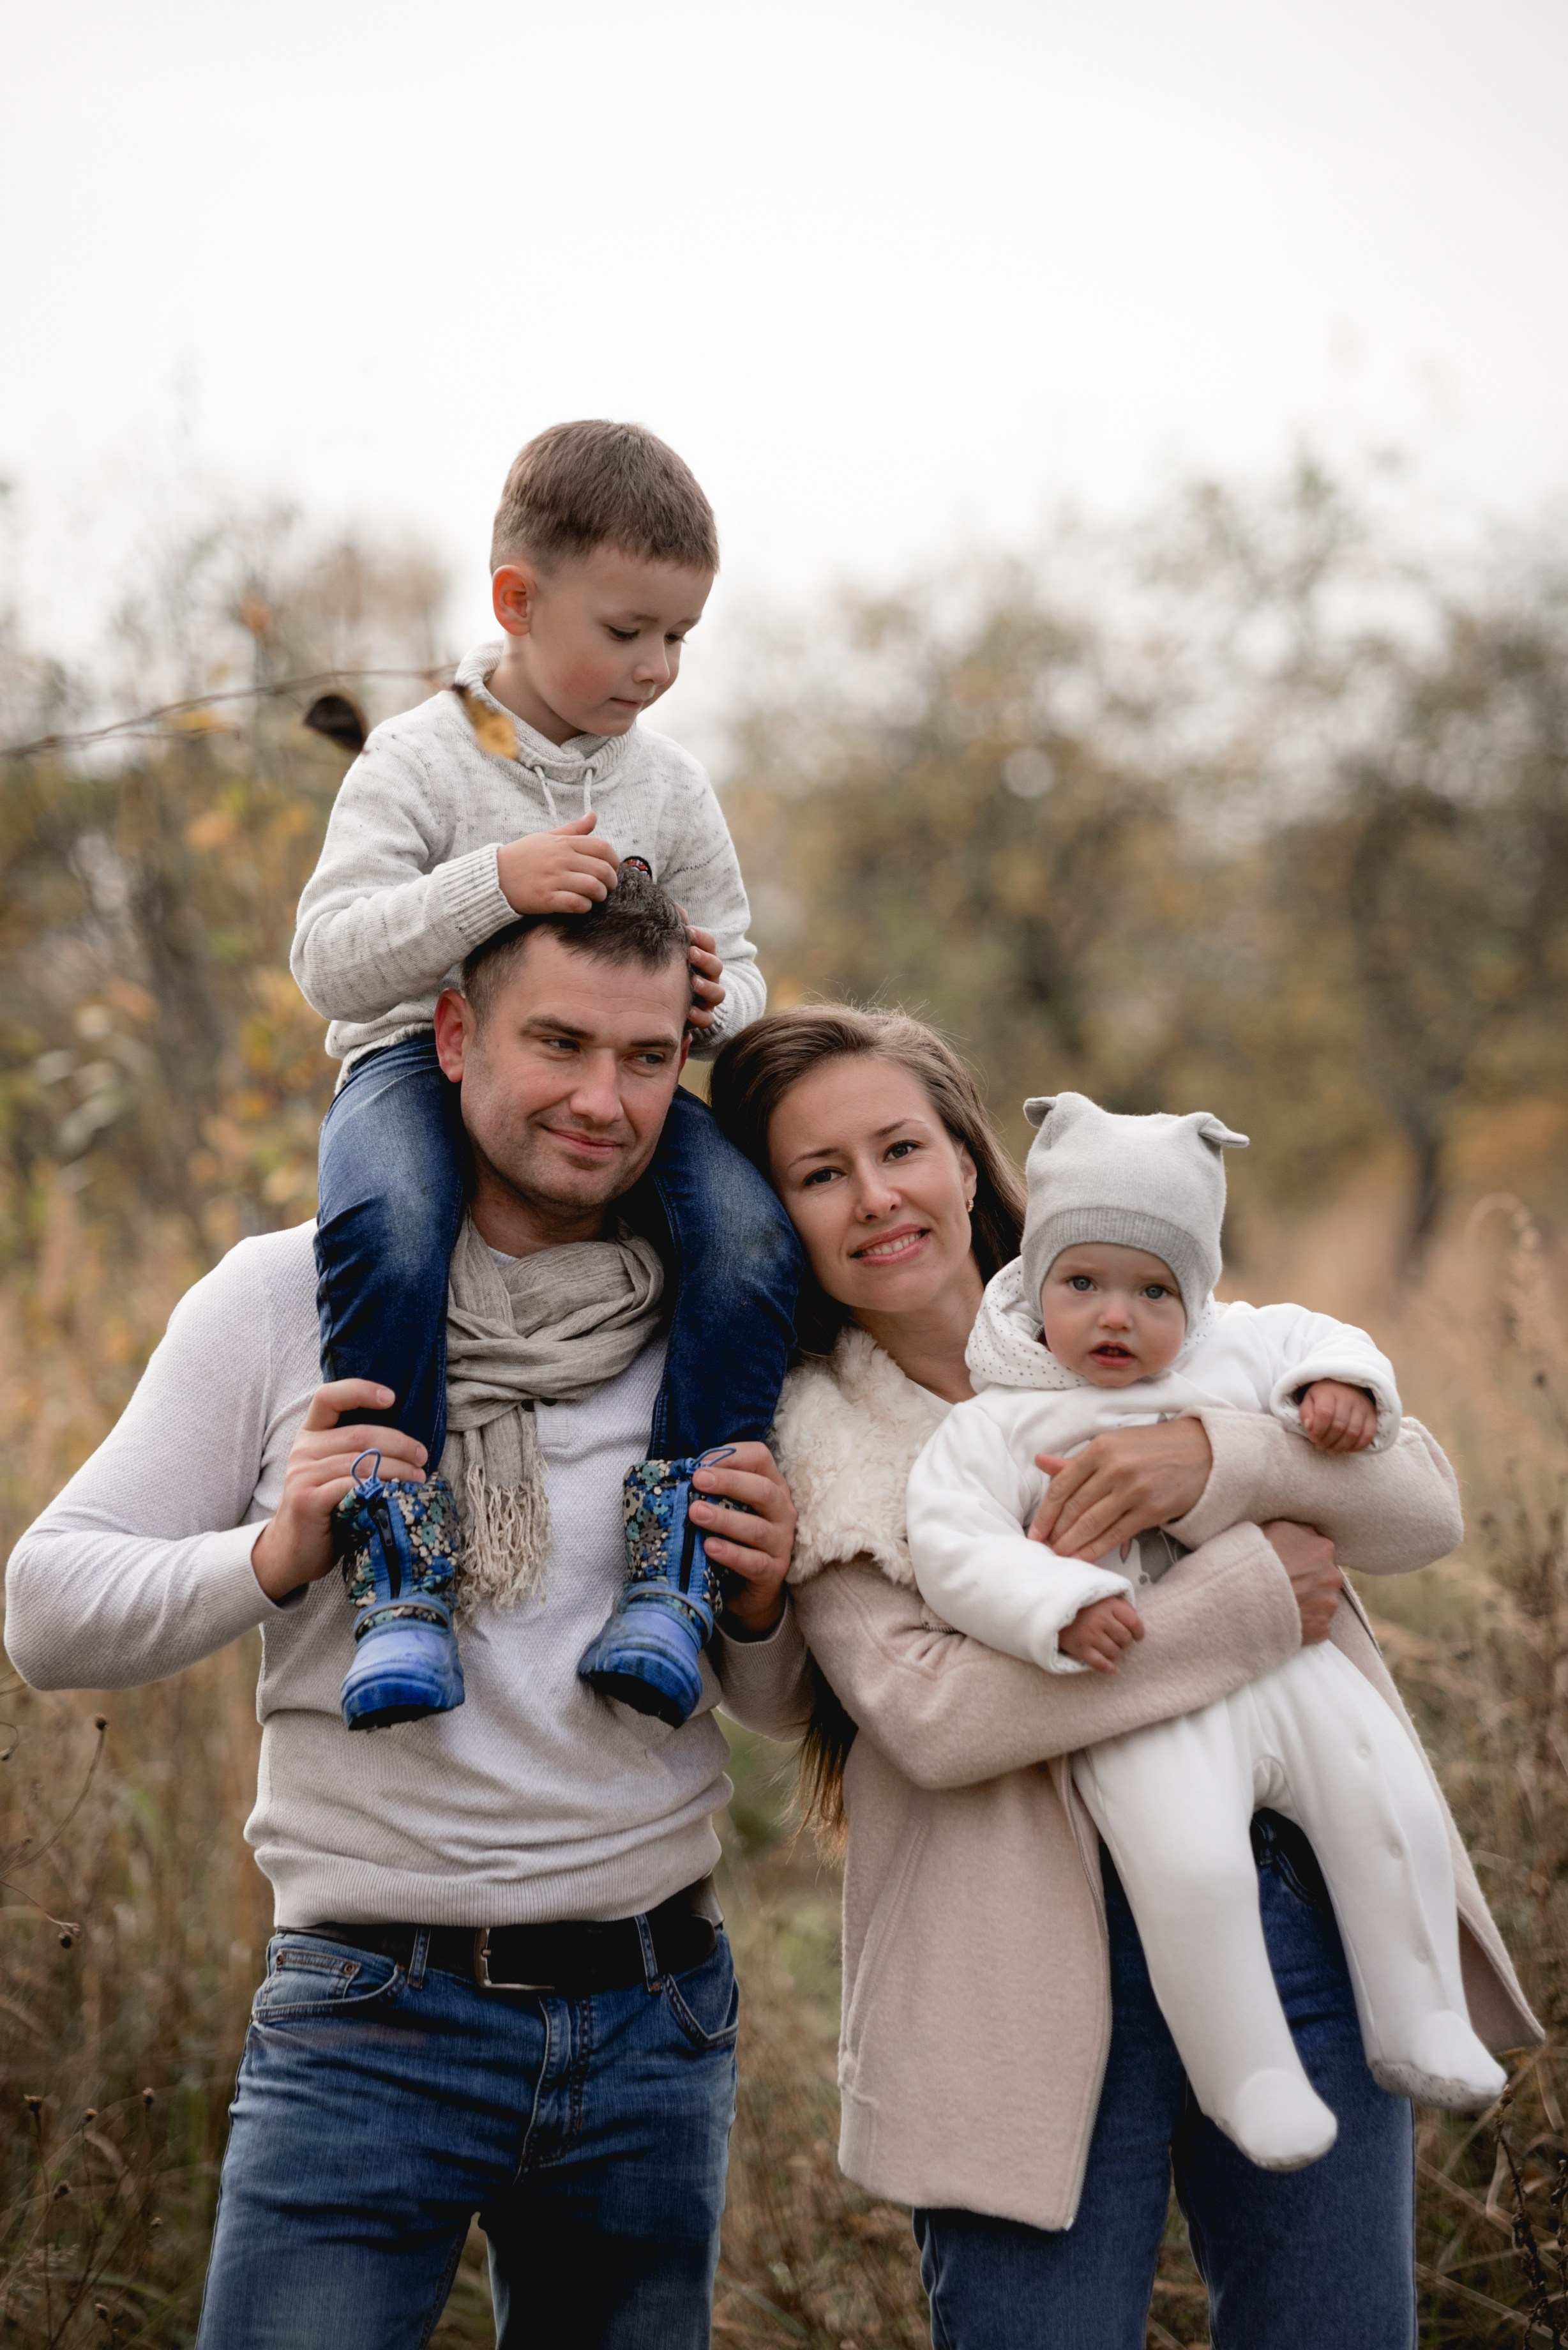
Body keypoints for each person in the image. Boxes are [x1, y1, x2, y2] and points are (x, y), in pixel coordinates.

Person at [5, 877, 811, 2350]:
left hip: (654, 2015)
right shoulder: (283, 1299)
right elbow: (47, 1609)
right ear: (450, 1034)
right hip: (368, 2018)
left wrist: (755, 1608)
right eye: (558, 1043)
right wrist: (275, 1550)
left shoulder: (723, 1312)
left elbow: (769, 1709)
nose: (604, 1099)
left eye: (647, 1058)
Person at [708, 1004, 1541, 2350]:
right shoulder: (816, 1437)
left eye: (900, 1147)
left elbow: (1420, 1507)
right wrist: (1250, 1596)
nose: (875, 1198)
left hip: (1294, 1920)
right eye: (818, 1174)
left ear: (967, 1161)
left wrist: (1219, 1461)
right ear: (775, 1215)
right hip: (1007, 1973)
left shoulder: (1158, 1312)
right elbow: (937, 1717)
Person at [290, 418, 799, 1729]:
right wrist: (489, 888)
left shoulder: (670, 790)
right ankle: (399, 1568)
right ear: (518, 600)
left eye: (680, 637)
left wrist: (706, 1001)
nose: (657, 666)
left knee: (749, 1236)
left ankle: (674, 1571)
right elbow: (330, 962)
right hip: (412, 1063)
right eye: (628, 630)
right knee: (390, 1222)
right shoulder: (420, 760)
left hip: (613, 1088)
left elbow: (740, 968)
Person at [905, 1089, 1505, 2177]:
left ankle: (1421, 2015)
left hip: (1292, 1664)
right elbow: (951, 1543)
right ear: (1038, 1285)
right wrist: (1055, 1605)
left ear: (1199, 1292)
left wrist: (1341, 1391)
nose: (1117, 1318)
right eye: (1082, 1285)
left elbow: (1330, 1342)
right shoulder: (998, 1418)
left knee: (1391, 1802)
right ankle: (1253, 2079)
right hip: (1145, 1685)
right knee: (1192, 1868)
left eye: (1153, 1290)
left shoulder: (1238, 1354)